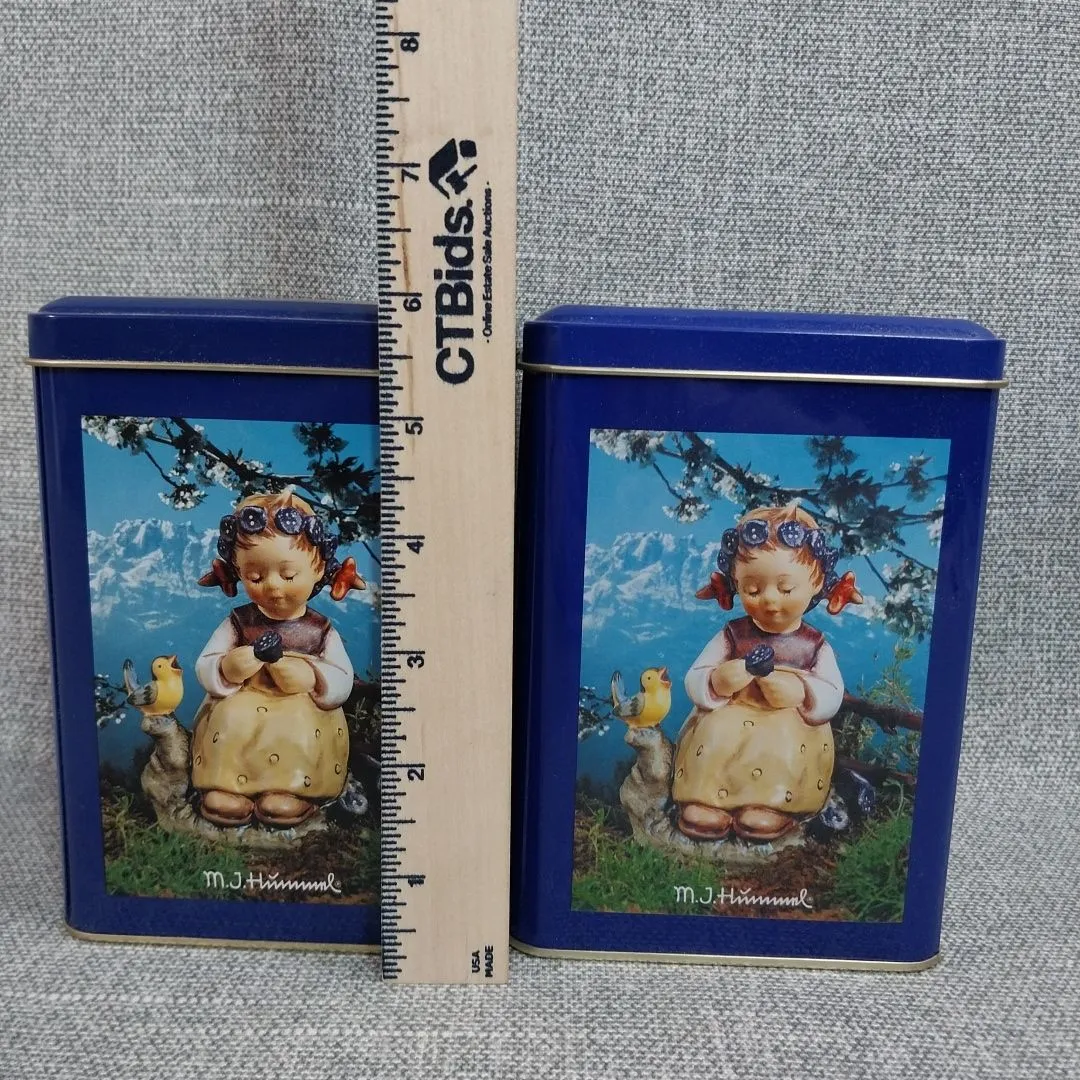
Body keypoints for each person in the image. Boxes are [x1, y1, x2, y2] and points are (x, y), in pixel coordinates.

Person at [672, 503, 861, 843]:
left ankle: (772, 806)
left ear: (816, 582)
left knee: (782, 747)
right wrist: (718, 680)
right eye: (753, 590)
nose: (770, 601)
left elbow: (831, 692)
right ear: (736, 583)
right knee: (716, 735)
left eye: (786, 589)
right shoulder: (732, 635)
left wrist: (803, 691)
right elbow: (695, 677)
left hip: (789, 724)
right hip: (731, 714)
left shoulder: (814, 645)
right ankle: (706, 802)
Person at [191, 491, 365, 828]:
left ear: (317, 568)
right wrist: (229, 666)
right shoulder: (239, 622)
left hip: (301, 709)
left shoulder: (320, 630)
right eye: (255, 577)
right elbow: (207, 663)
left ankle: (292, 791)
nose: (272, 587)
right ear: (238, 571)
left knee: (297, 730)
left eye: (288, 576)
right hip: (243, 703)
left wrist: (313, 675)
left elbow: (341, 678)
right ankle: (227, 789)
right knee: (232, 719)